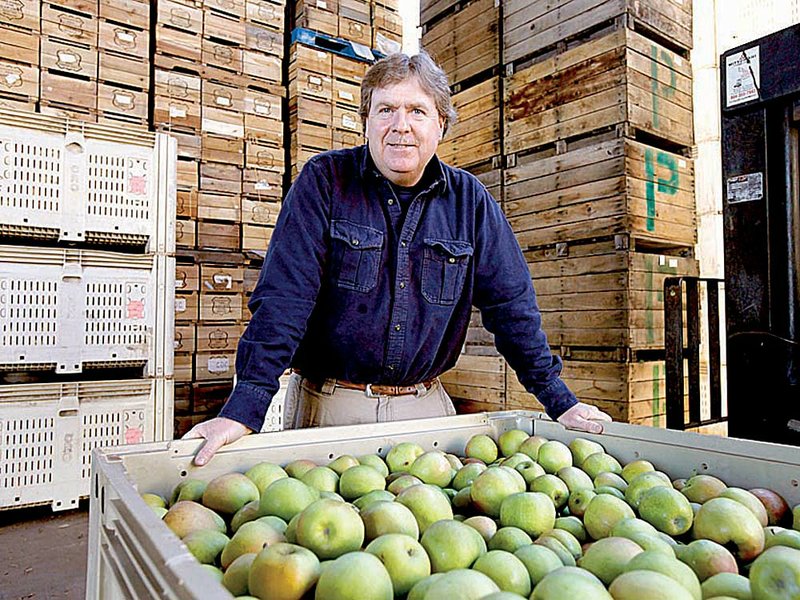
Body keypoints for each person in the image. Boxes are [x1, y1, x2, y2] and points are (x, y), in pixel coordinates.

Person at [184, 51, 611, 465]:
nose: (400, 126)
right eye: (385, 110)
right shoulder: (325, 182)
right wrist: (243, 409)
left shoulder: (470, 201)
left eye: (417, 111)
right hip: (331, 410)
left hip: (427, 413)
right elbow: (284, 300)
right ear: (366, 121)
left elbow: (511, 307)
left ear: (441, 124)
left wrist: (559, 400)